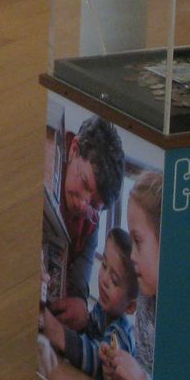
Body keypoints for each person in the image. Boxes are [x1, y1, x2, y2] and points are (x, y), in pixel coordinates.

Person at [40, 114, 125, 331]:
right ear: (74, 150)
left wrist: (79, 302)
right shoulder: (45, 156)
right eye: (85, 183)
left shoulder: (90, 222)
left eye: (94, 205)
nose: (82, 204)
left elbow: (80, 281)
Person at [42, 228, 137, 380]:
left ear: (130, 306)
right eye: (104, 266)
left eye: (114, 280)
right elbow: (87, 336)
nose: (105, 279)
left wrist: (60, 334)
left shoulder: (122, 335)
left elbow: (101, 363)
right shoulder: (100, 312)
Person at [101, 170, 161, 380]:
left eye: (138, 241)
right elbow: (145, 378)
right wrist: (124, 376)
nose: (132, 255)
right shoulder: (146, 301)